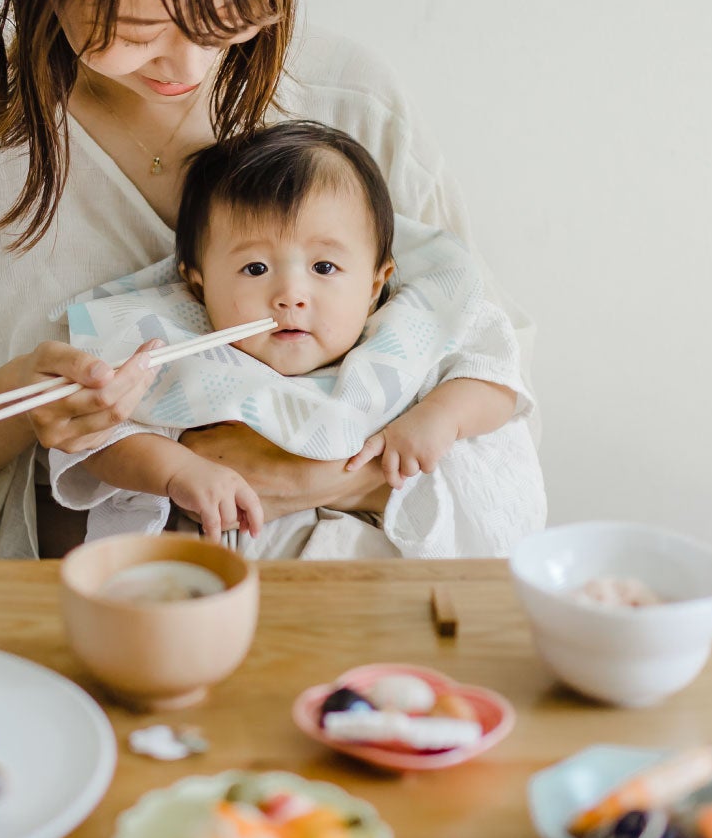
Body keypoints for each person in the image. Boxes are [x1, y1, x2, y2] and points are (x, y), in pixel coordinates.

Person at [0, 0, 543, 559]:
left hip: (362, 617)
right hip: (93, 607)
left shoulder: (350, 101)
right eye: (133, 29)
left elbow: (487, 371)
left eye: (228, 14)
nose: (188, 63)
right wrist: (23, 407)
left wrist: (319, 475)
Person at [47, 120, 534, 558]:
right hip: (228, 590)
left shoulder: (407, 336)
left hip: (383, 584)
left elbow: (495, 381)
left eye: (324, 267)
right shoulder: (176, 347)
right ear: (197, 284)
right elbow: (103, 438)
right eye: (255, 268)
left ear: (374, 283)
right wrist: (177, 471)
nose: (290, 295)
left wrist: (440, 418)